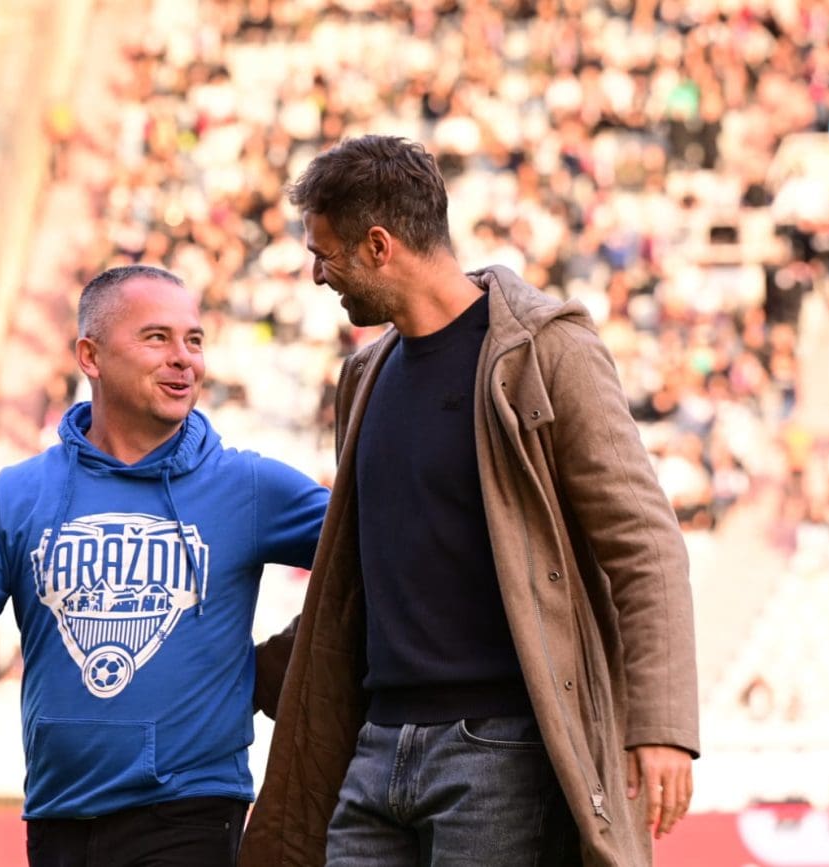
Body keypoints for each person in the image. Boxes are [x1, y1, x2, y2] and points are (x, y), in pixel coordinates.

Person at [242, 136, 699, 867]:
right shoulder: (362, 376)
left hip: (499, 752)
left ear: (379, 245)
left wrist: (662, 727)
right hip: (375, 749)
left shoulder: (547, 351)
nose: (318, 274)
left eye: (324, 255)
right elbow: (358, 586)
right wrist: (231, 675)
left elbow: (644, 544)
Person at [0, 265, 329, 867]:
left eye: (194, 340)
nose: (184, 358)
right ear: (90, 356)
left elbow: (374, 555)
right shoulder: (20, 495)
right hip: (58, 816)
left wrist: (288, 656)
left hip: (191, 811)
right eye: (157, 338)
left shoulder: (248, 487)